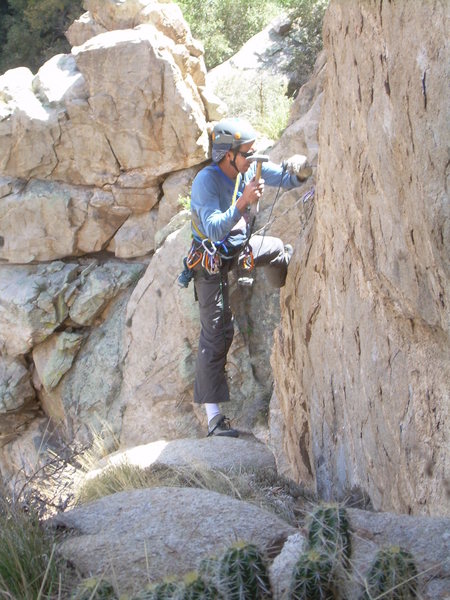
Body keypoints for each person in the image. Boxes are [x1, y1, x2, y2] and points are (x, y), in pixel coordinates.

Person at [189, 117, 312, 437]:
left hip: (240, 248)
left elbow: (283, 177)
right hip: (211, 259)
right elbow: (214, 228)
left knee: (277, 251)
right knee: (216, 332)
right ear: (227, 154)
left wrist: (300, 171)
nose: (254, 159)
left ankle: (288, 288)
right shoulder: (207, 181)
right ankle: (214, 419)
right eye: (248, 154)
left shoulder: (249, 169)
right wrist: (243, 203)